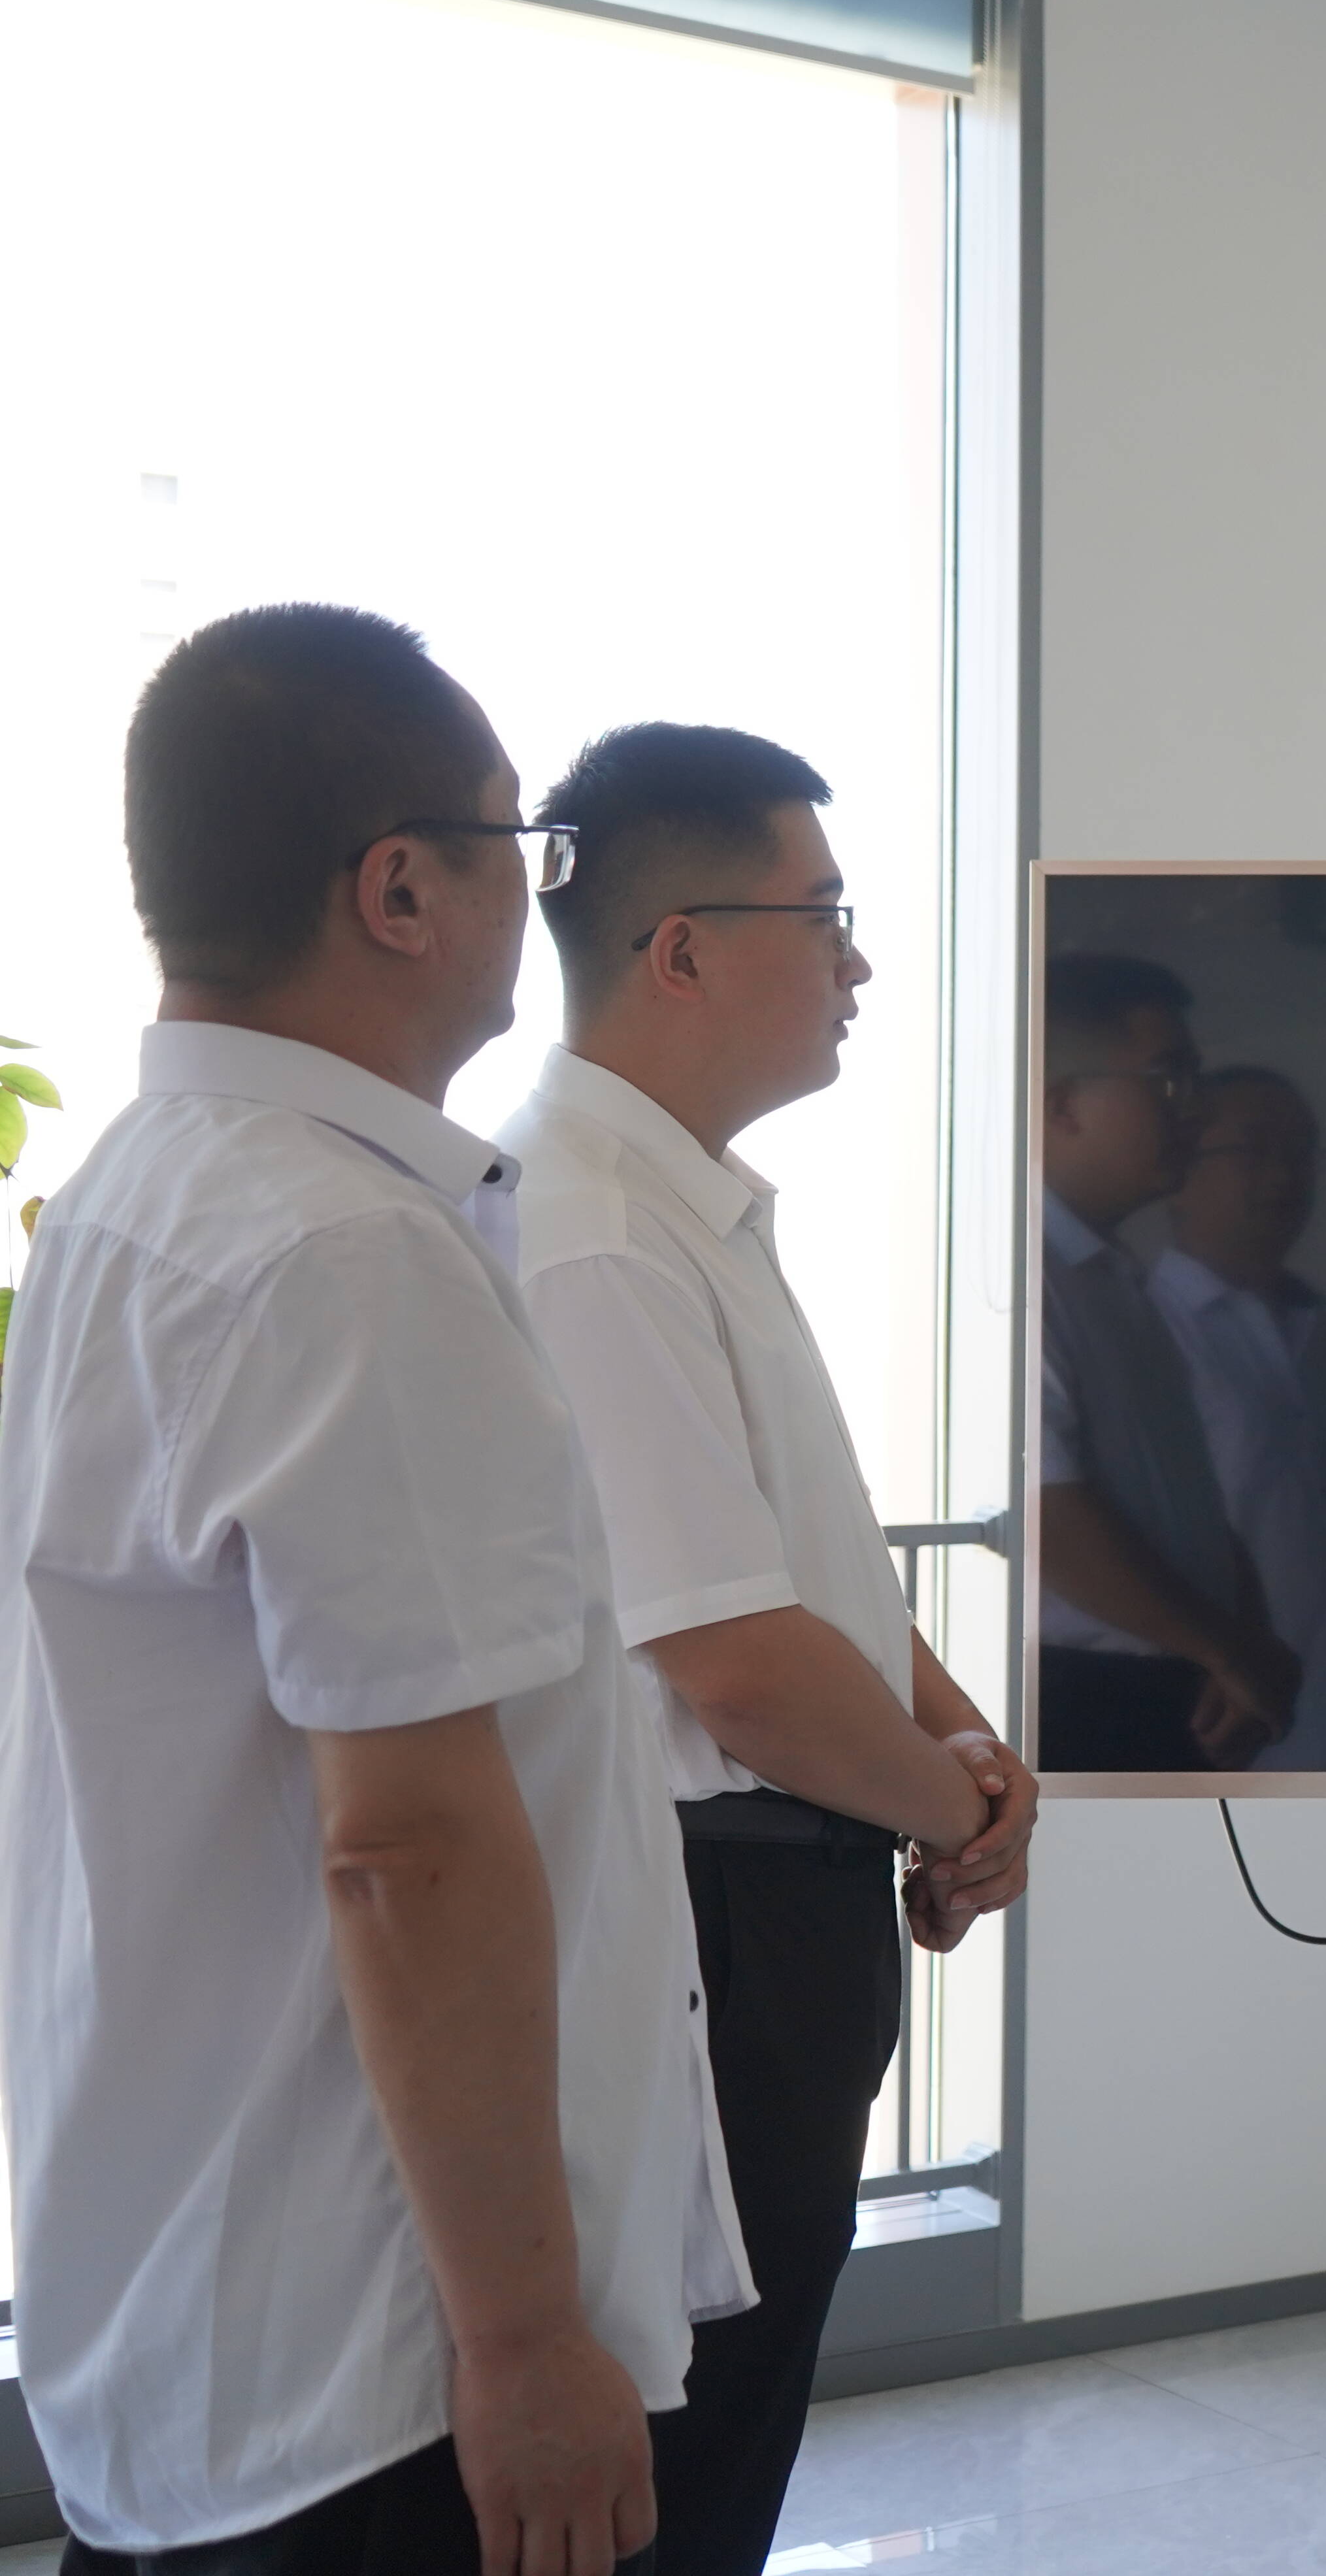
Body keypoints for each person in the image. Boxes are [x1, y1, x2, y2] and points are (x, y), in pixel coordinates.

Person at [0, 606, 741, 2573]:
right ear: (400, 889)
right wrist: (524, 2341)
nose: (535, 897)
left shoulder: (142, 1189)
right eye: (519, 845)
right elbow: (406, 1843)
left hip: (210, 2316)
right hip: (383, 2369)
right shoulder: (348, 1251)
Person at [502, 722, 1042, 2576]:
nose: (860, 963)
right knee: (688, 2463)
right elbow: (729, 1657)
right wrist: (960, 1807)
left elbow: (812, 1570)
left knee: (739, 2434)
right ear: (682, 950)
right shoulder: (589, 1224)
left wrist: (970, 1759)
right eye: (825, 917)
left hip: (782, 1896)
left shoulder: (686, 1206)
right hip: (707, 1918)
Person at [1036, 952, 1294, 1771]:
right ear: (1062, 1103)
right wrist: (1226, 1648)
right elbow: (1047, 1515)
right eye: (1169, 1080)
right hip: (1082, 1697)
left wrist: (1241, 1641)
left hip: (1176, 1680)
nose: (1196, 1110)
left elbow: (1182, 1503)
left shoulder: (1109, 1273)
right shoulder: (1017, 1276)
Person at [1148, 1066, 1326, 1769]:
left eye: (1301, 1152)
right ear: (1181, 1169)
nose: (1285, 1176)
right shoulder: (1150, 1330)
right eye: (1255, 1150)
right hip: (1222, 1731)